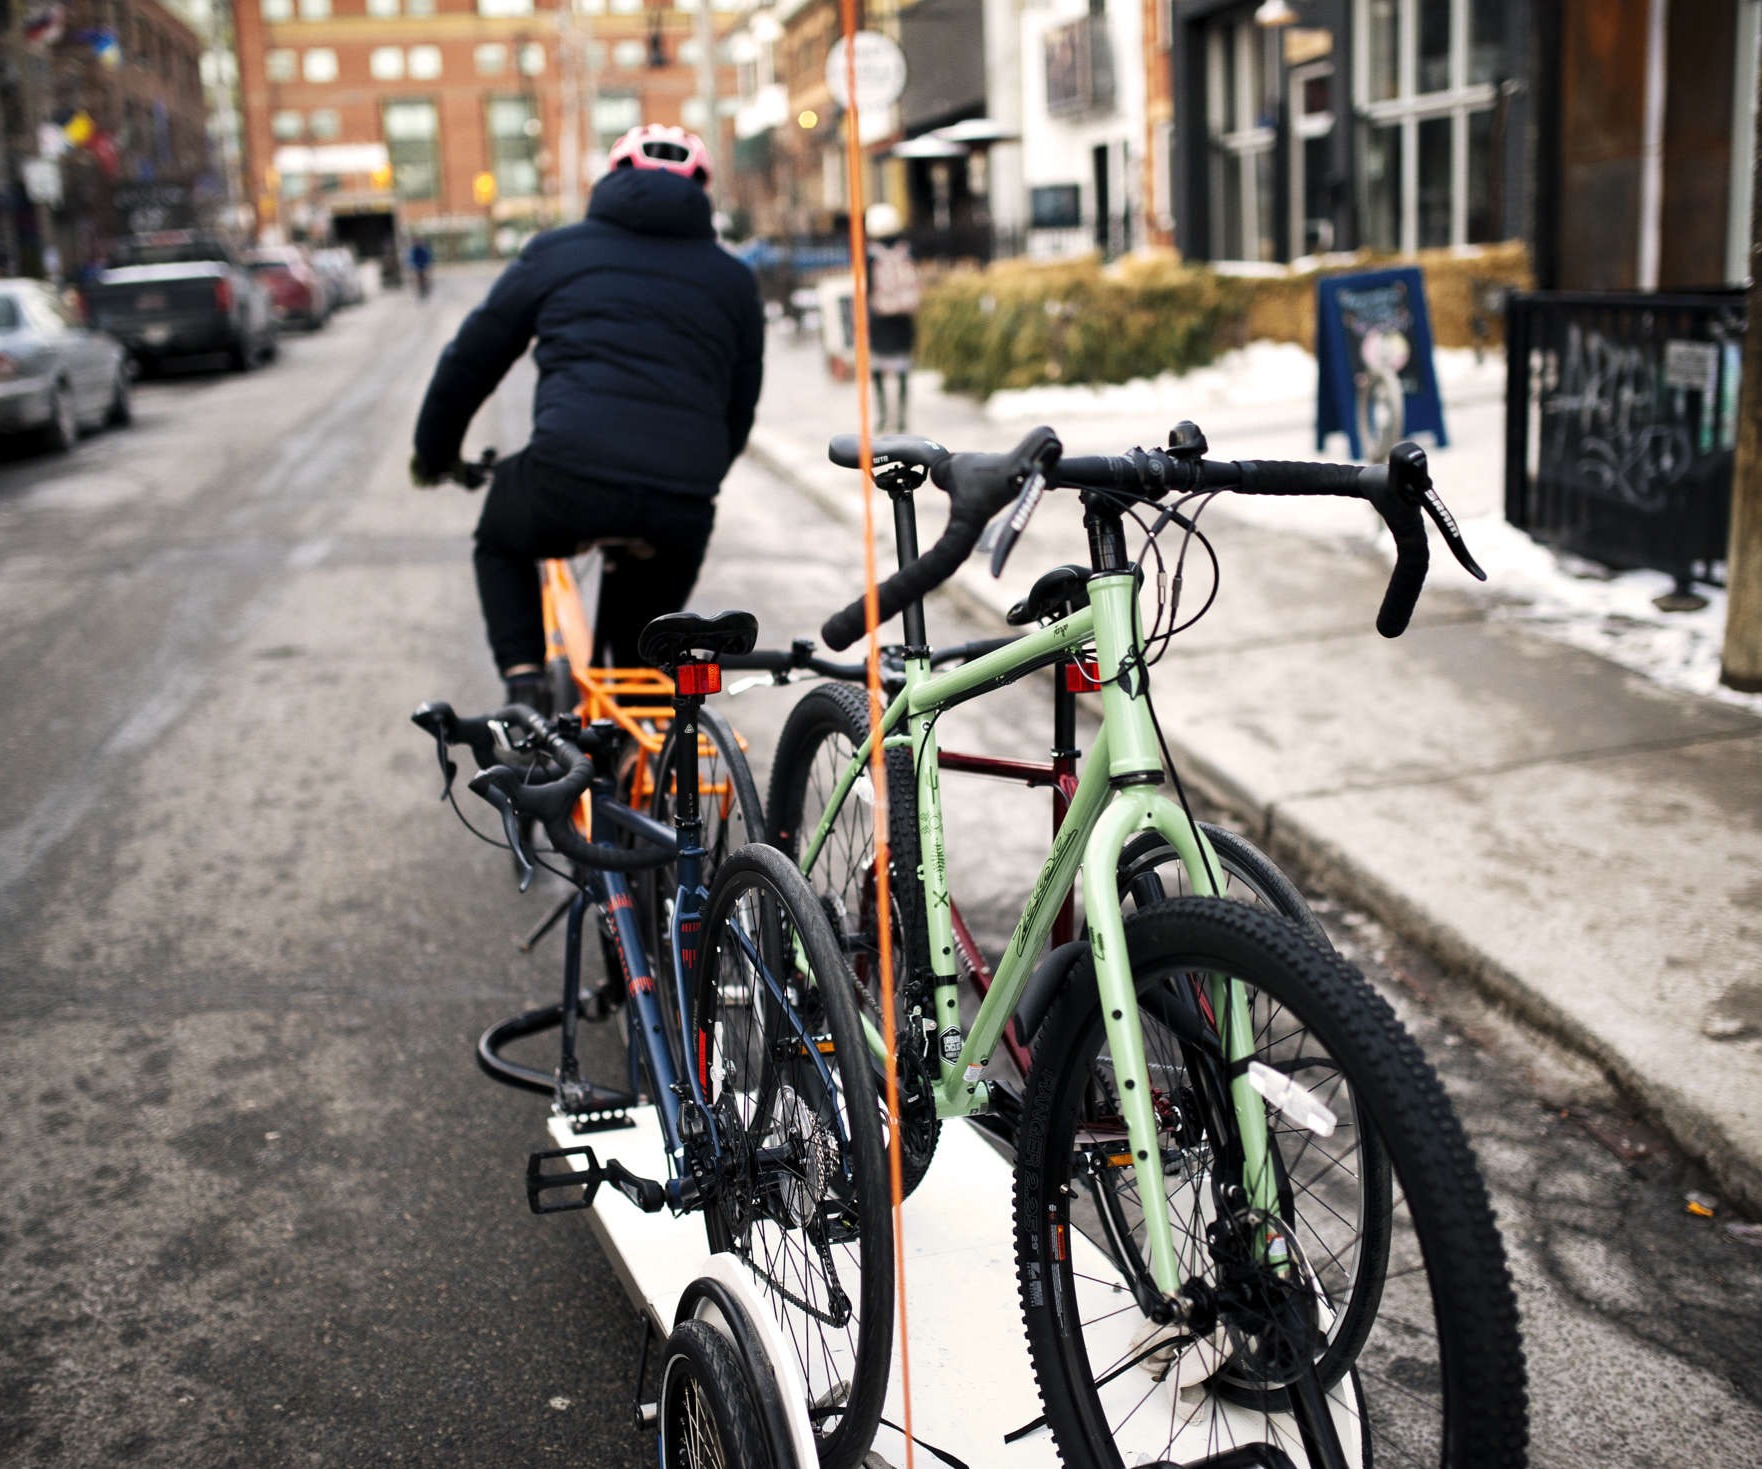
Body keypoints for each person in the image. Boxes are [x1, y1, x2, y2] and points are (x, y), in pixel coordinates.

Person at [409, 124, 765, 707]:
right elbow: (740, 403)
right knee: (645, 661)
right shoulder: (732, 277)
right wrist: (692, 478)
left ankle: (523, 687)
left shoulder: (557, 252)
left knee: (500, 540)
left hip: (567, 478)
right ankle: (642, 747)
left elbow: (470, 362)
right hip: (681, 502)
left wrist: (435, 455)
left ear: (613, 176)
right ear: (701, 189)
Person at [863, 202, 920, 433]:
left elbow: (866, 287)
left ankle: (884, 414)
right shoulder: (907, 251)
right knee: (903, 369)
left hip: (880, 319)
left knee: (878, 369)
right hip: (904, 318)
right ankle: (902, 416)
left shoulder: (871, 255)